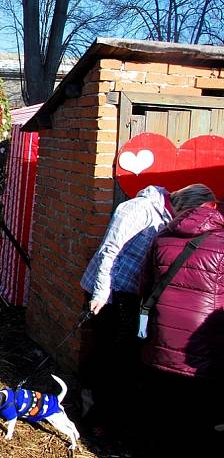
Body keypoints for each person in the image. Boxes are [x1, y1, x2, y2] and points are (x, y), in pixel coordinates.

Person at [79, 183, 216, 439]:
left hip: (133, 295)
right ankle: (92, 420)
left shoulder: (168, 218)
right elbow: (109, 250)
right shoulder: (138, 208)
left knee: (121, 358)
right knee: (104, 355)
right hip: (110, 291)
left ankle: (110, 419)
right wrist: (100, 294)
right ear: (186, 205)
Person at [138, 195, 224, 452]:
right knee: (197, 418)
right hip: (203, 345)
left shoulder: (162, 237)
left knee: (161, 411)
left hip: (162, 336)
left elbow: (144, 286)